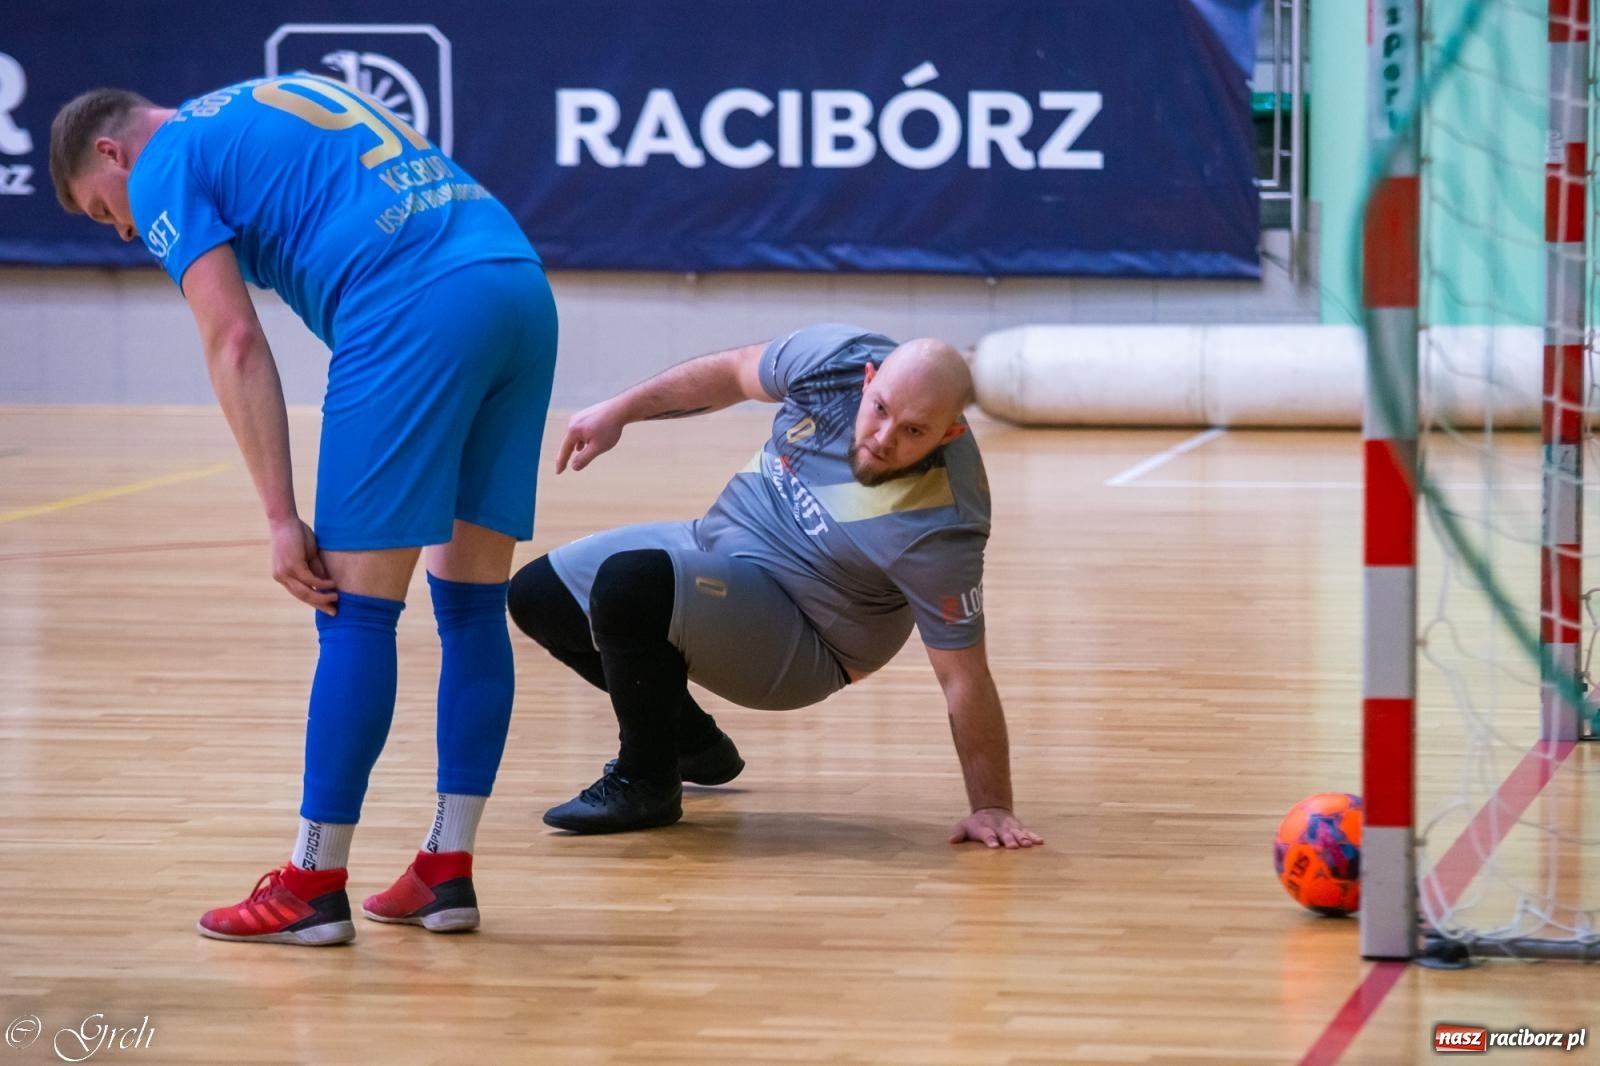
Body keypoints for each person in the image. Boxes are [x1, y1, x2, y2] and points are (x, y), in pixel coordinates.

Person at [50, 76, 558, 945]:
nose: (125, 231)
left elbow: (233, 338)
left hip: (412, 307)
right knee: (473, 606)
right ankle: (446, 868)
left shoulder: (163, 163)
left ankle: (312, 884)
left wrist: (280, 518)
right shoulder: (258, 101)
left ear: (112, 153)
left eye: (105, 210)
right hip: (516, 285)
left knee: (353, 613)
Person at [508, 324, 1043, 850]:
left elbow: (964, 677)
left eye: (914, 432)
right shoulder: (834, 360)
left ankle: (646, 782)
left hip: (805, 636)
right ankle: (689, 742)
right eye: (880, 409)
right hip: (715, 544)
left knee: (631, 588)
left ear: (949, 434)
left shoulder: (942, 525)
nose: (884, 438)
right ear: (869, 378)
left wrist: (991, 806)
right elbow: (733, 371)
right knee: (539, 596)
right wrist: (620, 410)